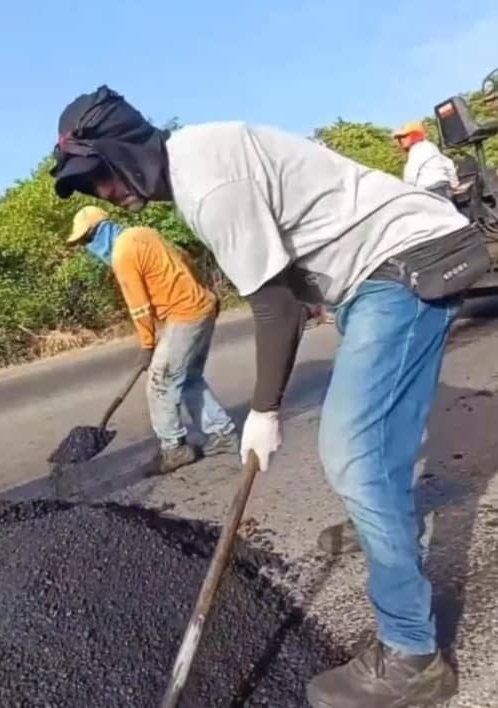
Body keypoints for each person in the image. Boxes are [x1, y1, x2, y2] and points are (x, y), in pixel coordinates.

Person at [48, 85, 488, 707]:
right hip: (377, 273)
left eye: (99, 177)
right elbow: (288, 276)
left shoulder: (207, 184)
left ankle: (413, 656)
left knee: (355, 455)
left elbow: (274, 308)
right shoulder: (200, 158)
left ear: (122, 148)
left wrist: (263, 410)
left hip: (404, 262)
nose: (104, 192)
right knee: (372, 458)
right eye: (90, 187)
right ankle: (387, 537)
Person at [65, 204, 238, 474]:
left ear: (99, 231)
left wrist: (147, 345)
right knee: (189, 377)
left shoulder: (123, 254)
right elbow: (183, 258)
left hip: (186, 315)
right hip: (201, 306)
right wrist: (205, 292)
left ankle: (173, 448)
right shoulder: (142, 233)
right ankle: (222, 434)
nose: (88, 246)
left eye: (88, 240)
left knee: (160, 382)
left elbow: (139, 307)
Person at [393, 120, 459, 198]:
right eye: (400, 138)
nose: (402, 140)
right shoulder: (430, 146)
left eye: (404, 136)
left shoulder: (415, 150)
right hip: (444, 187)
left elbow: (410, 176)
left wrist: (406, 194)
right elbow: (448, 163)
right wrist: (454, 183)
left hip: (430, 190)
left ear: (414, 134)